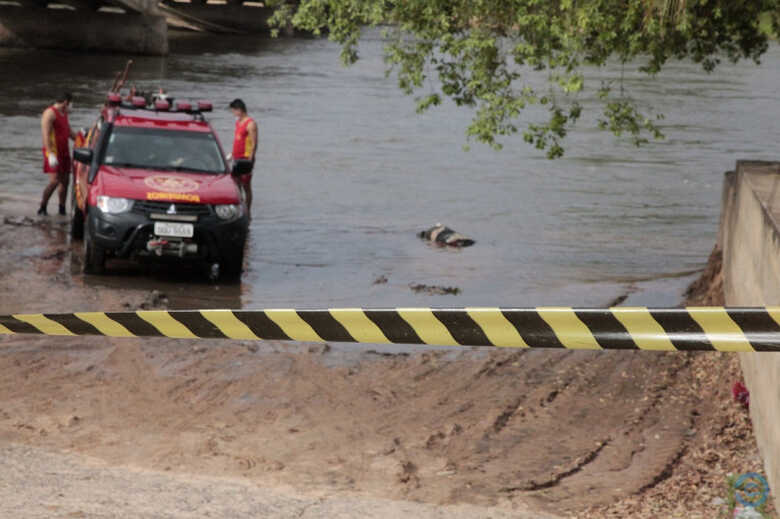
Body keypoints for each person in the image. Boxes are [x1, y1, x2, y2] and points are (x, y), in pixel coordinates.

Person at [39, 93, 79, 216]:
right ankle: (42, 207)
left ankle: (62, 209)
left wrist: (83, 140)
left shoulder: (64, 113)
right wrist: (50, 154)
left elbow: (69, 132)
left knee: (65, 181)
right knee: (55, 181)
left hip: (64, 152)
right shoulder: (49, 113)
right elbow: (45, 134)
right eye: (71, 103)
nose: (71, 106)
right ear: (66, 102)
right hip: (53, 152)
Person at [229, 98, 258, 212]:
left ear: (239, 110)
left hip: (245, 159)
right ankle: (239, 209)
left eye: (234, 111)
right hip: (236, 158)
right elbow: (238, 140)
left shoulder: (251, 124)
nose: (233, 114)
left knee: (246, 186)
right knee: (236, 185)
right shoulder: (238, 122)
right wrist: (231, 154)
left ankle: (248, 211)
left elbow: (254, 142)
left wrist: (251, 159)